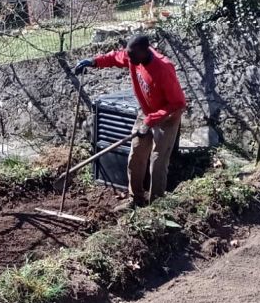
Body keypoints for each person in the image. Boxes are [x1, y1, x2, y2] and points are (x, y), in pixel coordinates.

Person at [75, 33, 188, 209]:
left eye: (133, 54)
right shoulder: (133, 55)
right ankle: (136, 200)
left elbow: (178, 103)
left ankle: (156, 208)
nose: (129, 57)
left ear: (145, 50)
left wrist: (152, 121)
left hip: (167, 118)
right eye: (129, 53)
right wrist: (94, 61)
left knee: (157, 164)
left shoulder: (164, 68)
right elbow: (115, 57)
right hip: (146, 112)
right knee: (135, 157)